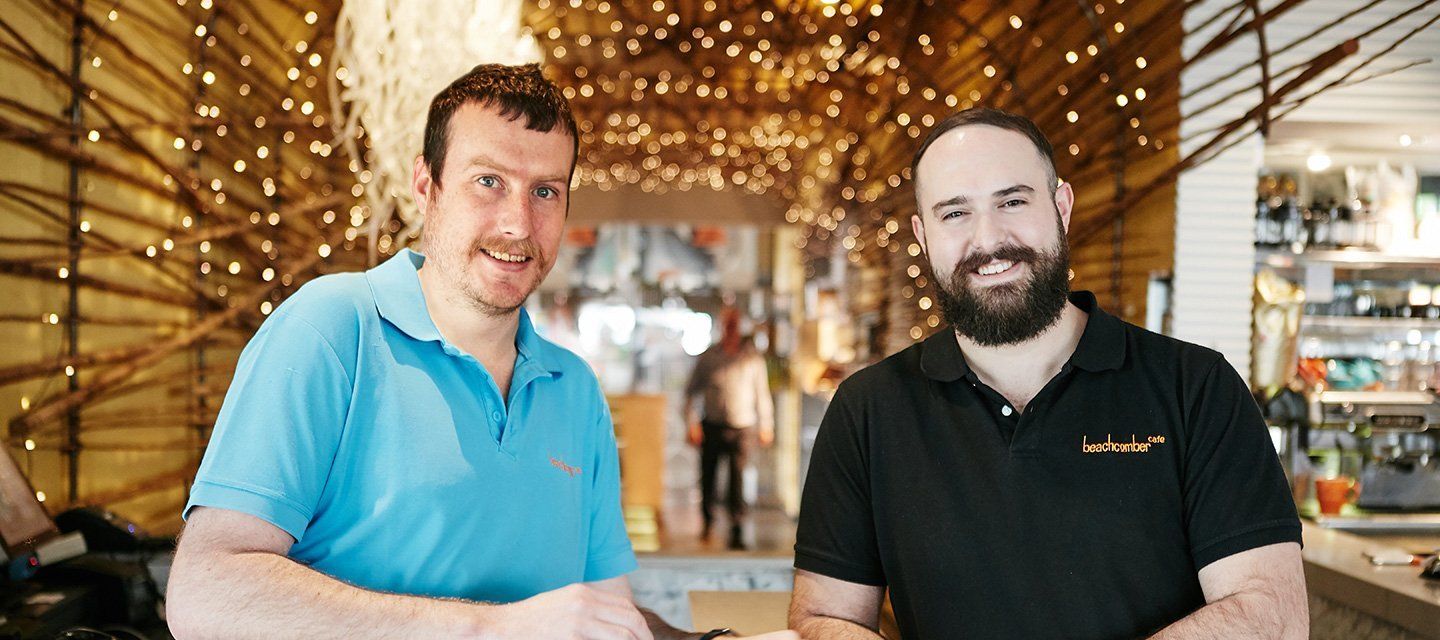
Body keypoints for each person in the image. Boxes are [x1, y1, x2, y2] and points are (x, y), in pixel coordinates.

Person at [166, 63, 794, 640]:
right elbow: (205, 591)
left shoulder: (573, 388)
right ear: (426, 184)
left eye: (545, 191)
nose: (518, 223)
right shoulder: (333, 330)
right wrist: (491, 629)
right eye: (488, 181)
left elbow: (603, 620)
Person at [788, 107, 1307, 639]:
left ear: (1061, 206)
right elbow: (823, 617)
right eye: (955, 213)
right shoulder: (868, 410)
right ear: (923, 234)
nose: (988, 240)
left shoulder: (1196, 388)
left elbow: (1271, 614)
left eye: (1012, 202)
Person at [683, 308, 775, 550]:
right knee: (709, 475)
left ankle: (737, 522)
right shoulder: (709, 357)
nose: (732, 327)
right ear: (722, 326)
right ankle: (707, 519)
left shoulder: (752, 359)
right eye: (728, 323)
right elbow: (691, 392)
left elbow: (761, 394)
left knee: (738, 476)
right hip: (712, 424)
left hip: (742, 426)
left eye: (735, 323)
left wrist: (766, 425)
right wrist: (691, 423)